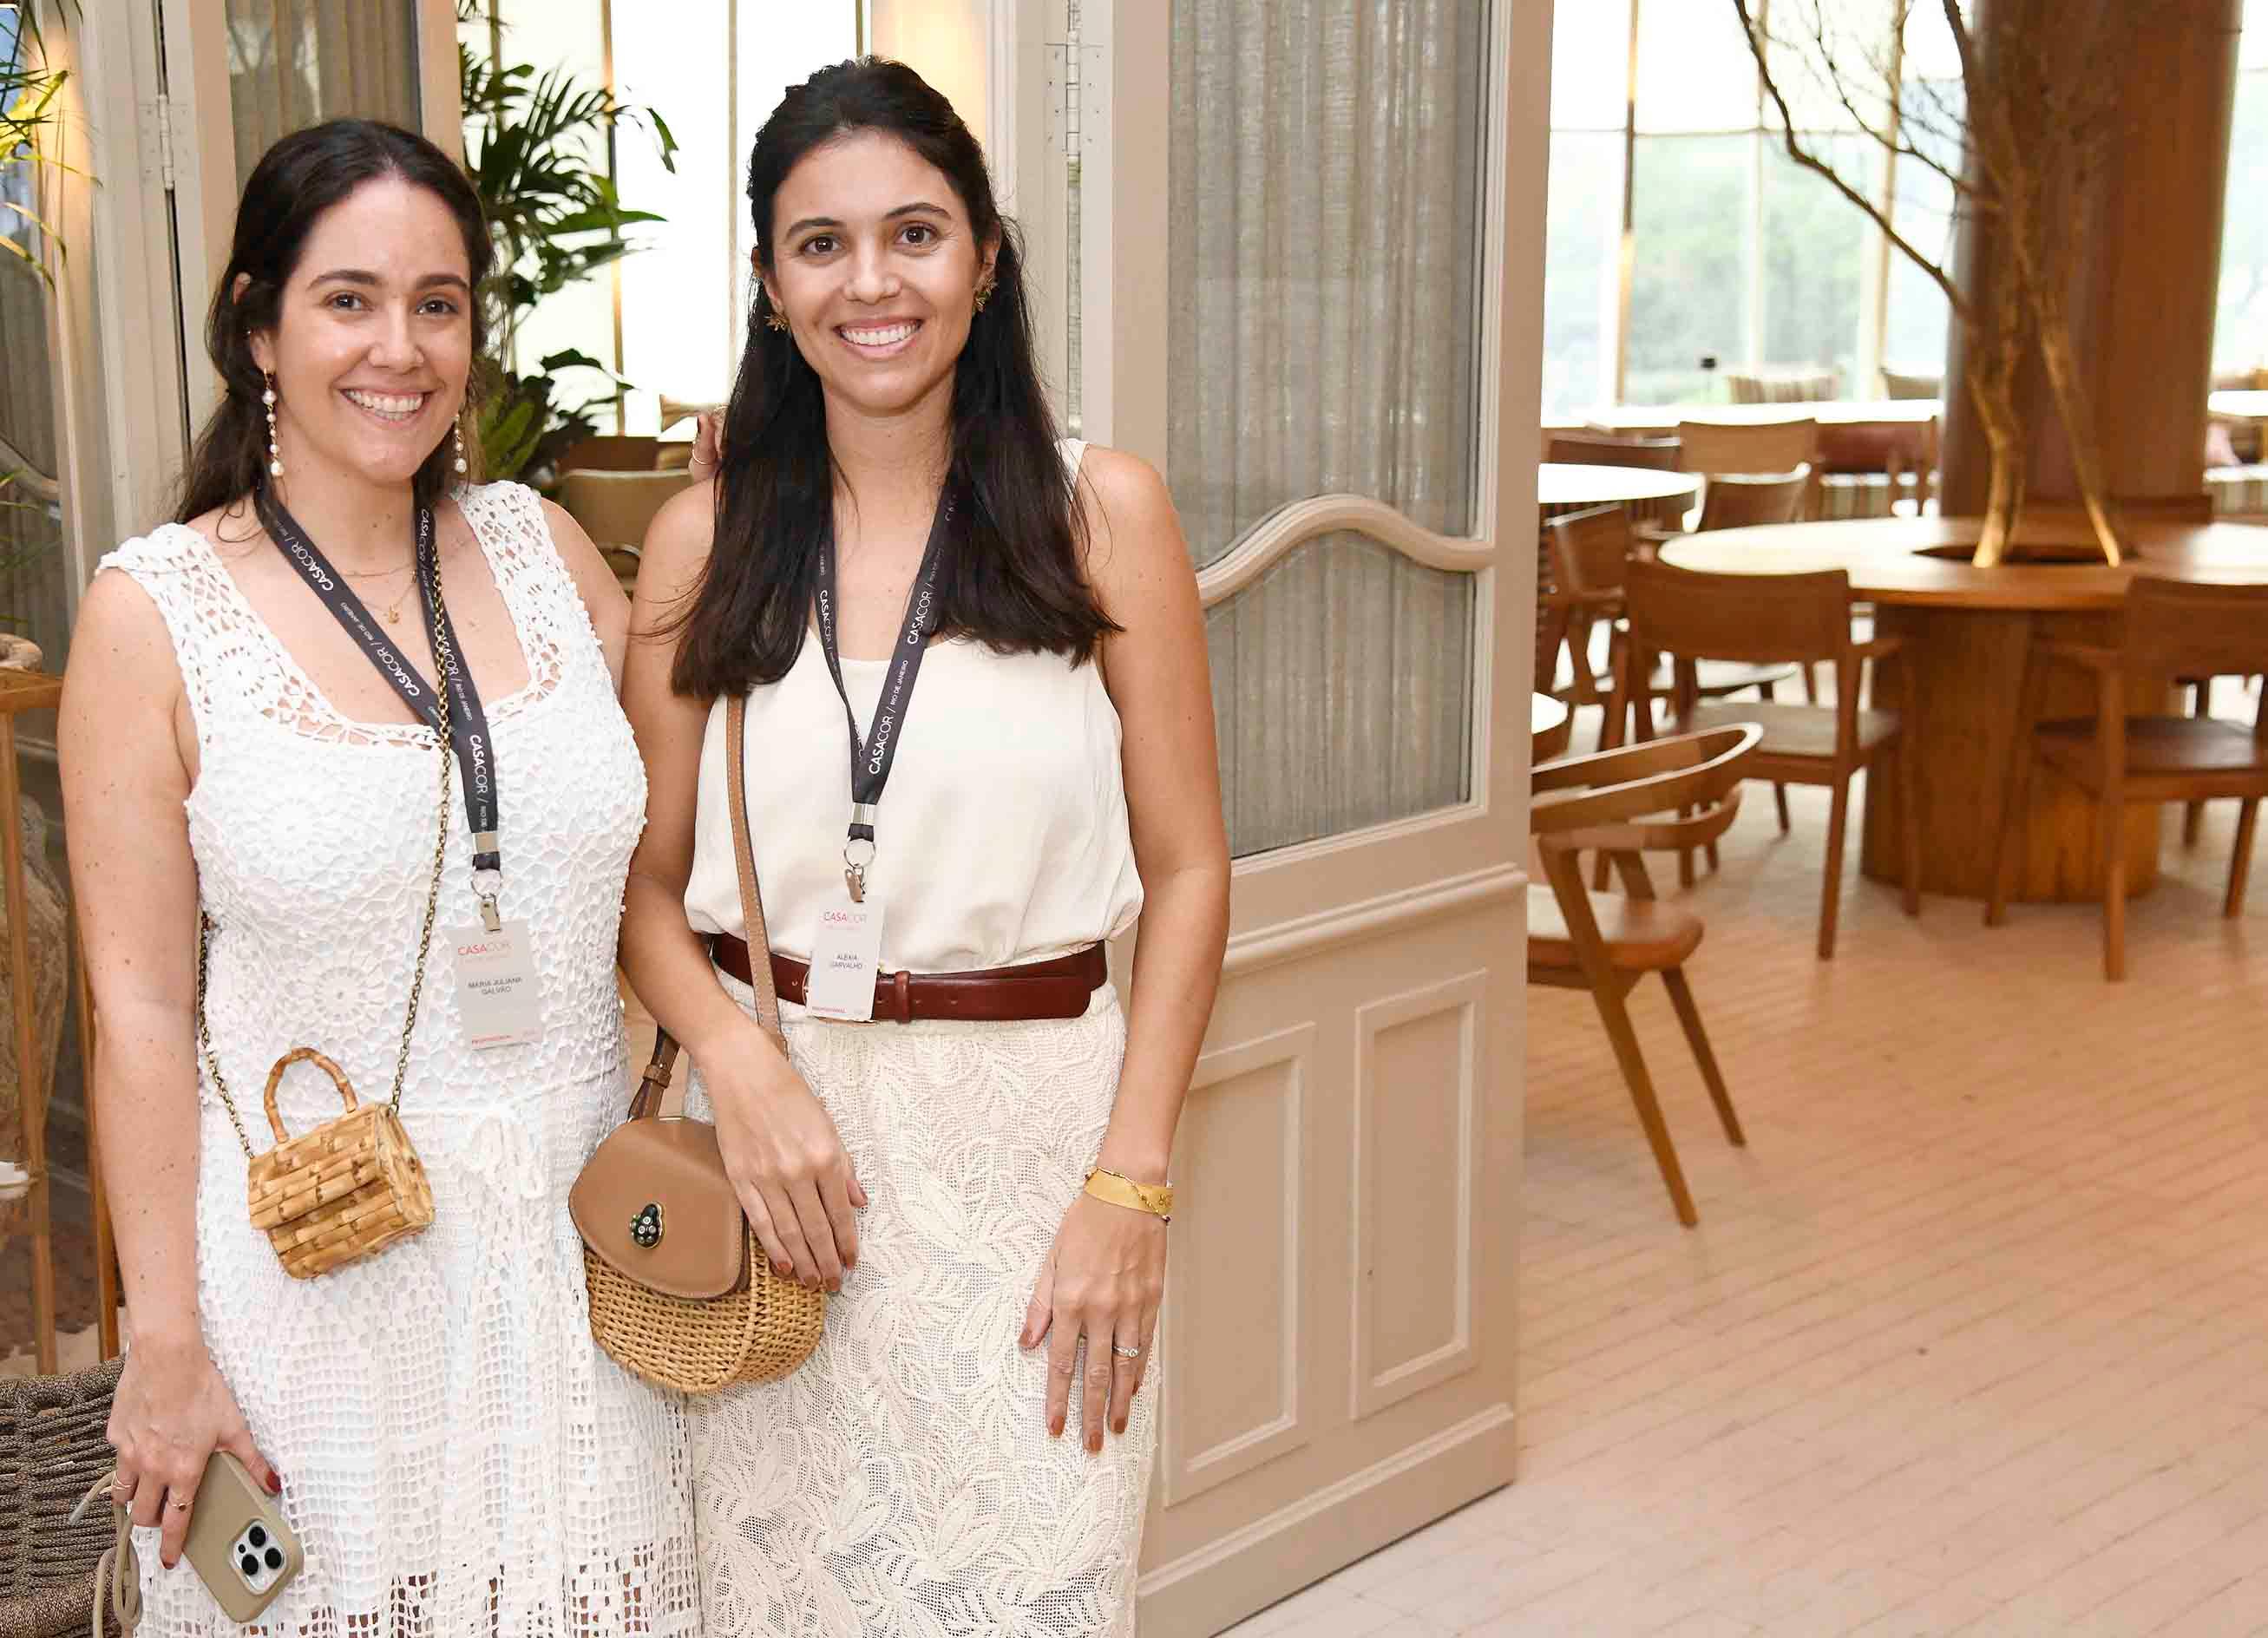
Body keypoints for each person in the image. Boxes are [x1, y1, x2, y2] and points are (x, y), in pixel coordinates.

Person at [60, 120, 697, 1635]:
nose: (397, 348)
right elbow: (138, 1015)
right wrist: (161, 1340)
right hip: (316, 1283)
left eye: (438, 302)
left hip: (582, 1268)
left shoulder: (545, 551)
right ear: (257, 326)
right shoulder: (158, 615)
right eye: (346, 299)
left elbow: (674, 866)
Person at [619, 57, 1229, 1636]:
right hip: (763, 1168)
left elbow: (1190, 873)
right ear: (768, 285)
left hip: (1034, 1173)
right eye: (819, 245)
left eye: (915, 233)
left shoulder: (1103, 514)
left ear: (986, 259)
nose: (870, 283)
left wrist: (1130, 1184)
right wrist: (732, 1062)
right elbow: (632, 877)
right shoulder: (704, 537)